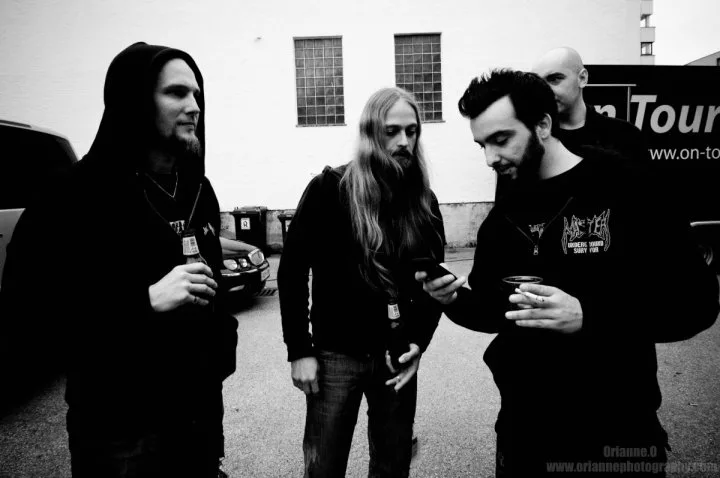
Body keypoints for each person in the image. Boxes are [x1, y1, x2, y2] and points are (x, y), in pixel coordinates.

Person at [418, 69, 719, 477]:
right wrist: (453, 299)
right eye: (482, 144)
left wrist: (589, 317)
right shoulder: (504, 215)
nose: (490, 158)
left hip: (616, 434)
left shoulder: (627, 188)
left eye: (501, 139)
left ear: (543, 124)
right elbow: (495, 311)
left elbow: (697, 304)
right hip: (525, 435)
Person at [1, 42, 238, 477]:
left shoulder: (199, 191)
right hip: (121, 432)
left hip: (197, 420)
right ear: (135, 100)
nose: (194, 106)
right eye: (177, 93)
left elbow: (214, 290)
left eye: (197, 94)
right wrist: (144, 302)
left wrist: (221, 344)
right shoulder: (71, 196)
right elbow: (28, 318)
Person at [278, 87, 446, 477]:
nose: (404, 141)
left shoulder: (423, 200)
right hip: (336, 356)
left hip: (396, 357)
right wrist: (299, 350)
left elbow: (434, 282)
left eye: (412, 131)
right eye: (392, 131)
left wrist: (419, 341)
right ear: (371, 133)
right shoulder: (329, 189)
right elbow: (292, 270)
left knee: (392, 466)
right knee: (324, 466)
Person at [531, 46, 650, 163]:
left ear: (582, 78)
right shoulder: (533, 137)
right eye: (539, 83)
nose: (545, 90)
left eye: (555, 79)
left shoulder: (626, 136)